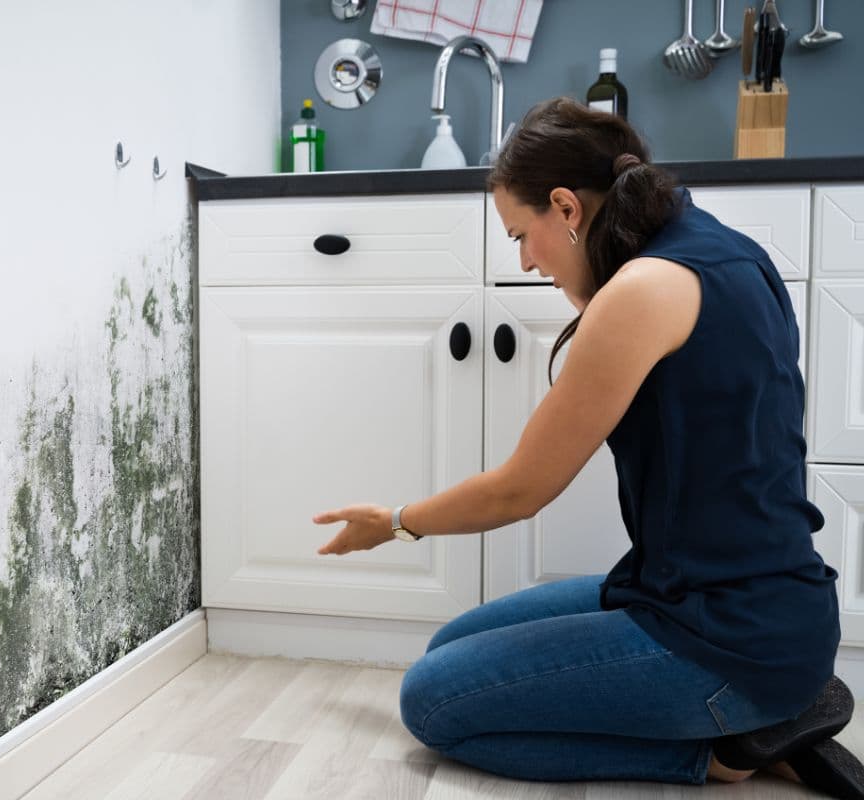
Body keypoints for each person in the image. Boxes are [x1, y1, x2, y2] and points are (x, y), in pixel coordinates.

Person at [313, 97, 864, 797]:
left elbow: (521, 489)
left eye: (522, 234)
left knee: (432, 701)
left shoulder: (641, 292)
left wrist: (391, 523)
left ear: (567, 208)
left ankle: (731, 750)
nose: (523, 260)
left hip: (729, 637)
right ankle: (769, 713)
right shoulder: (720, 248)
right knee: (448, 650)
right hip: (729, 600)